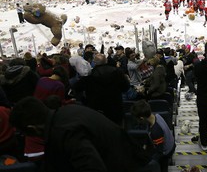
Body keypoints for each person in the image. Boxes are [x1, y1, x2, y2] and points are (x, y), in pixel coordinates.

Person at [9, 97, 152, 172]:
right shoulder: (68, 112)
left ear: (32, 129)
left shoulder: (64, 131)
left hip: (126, 166)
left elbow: (93, 168)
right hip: (129, 157)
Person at [75, 53, 130, 125]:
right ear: (106, 61)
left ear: (94, 62)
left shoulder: (89, 75)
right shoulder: (117, 73)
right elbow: (126, 87)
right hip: (115, 108)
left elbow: (76, 88)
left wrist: (85, 101)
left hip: (96, 110)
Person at [131, 100, 175, 172]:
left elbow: (160, 153)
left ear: (141, 118)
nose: (137, 121)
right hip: (166, 142)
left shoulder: (156, 131)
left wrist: (147, 162)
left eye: (137, 119)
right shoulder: (156, 116)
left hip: (166, 152)